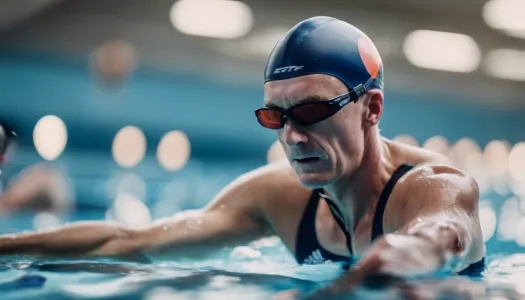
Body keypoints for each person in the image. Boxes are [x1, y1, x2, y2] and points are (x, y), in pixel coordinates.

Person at [0, 16, 485, 297]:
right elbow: (129, 240)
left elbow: (432, 241)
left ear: (371, 108)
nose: (293, 138)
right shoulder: (278, 195)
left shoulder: (434, 186)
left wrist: (357, 280)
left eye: (312, 110)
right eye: (276, 118)